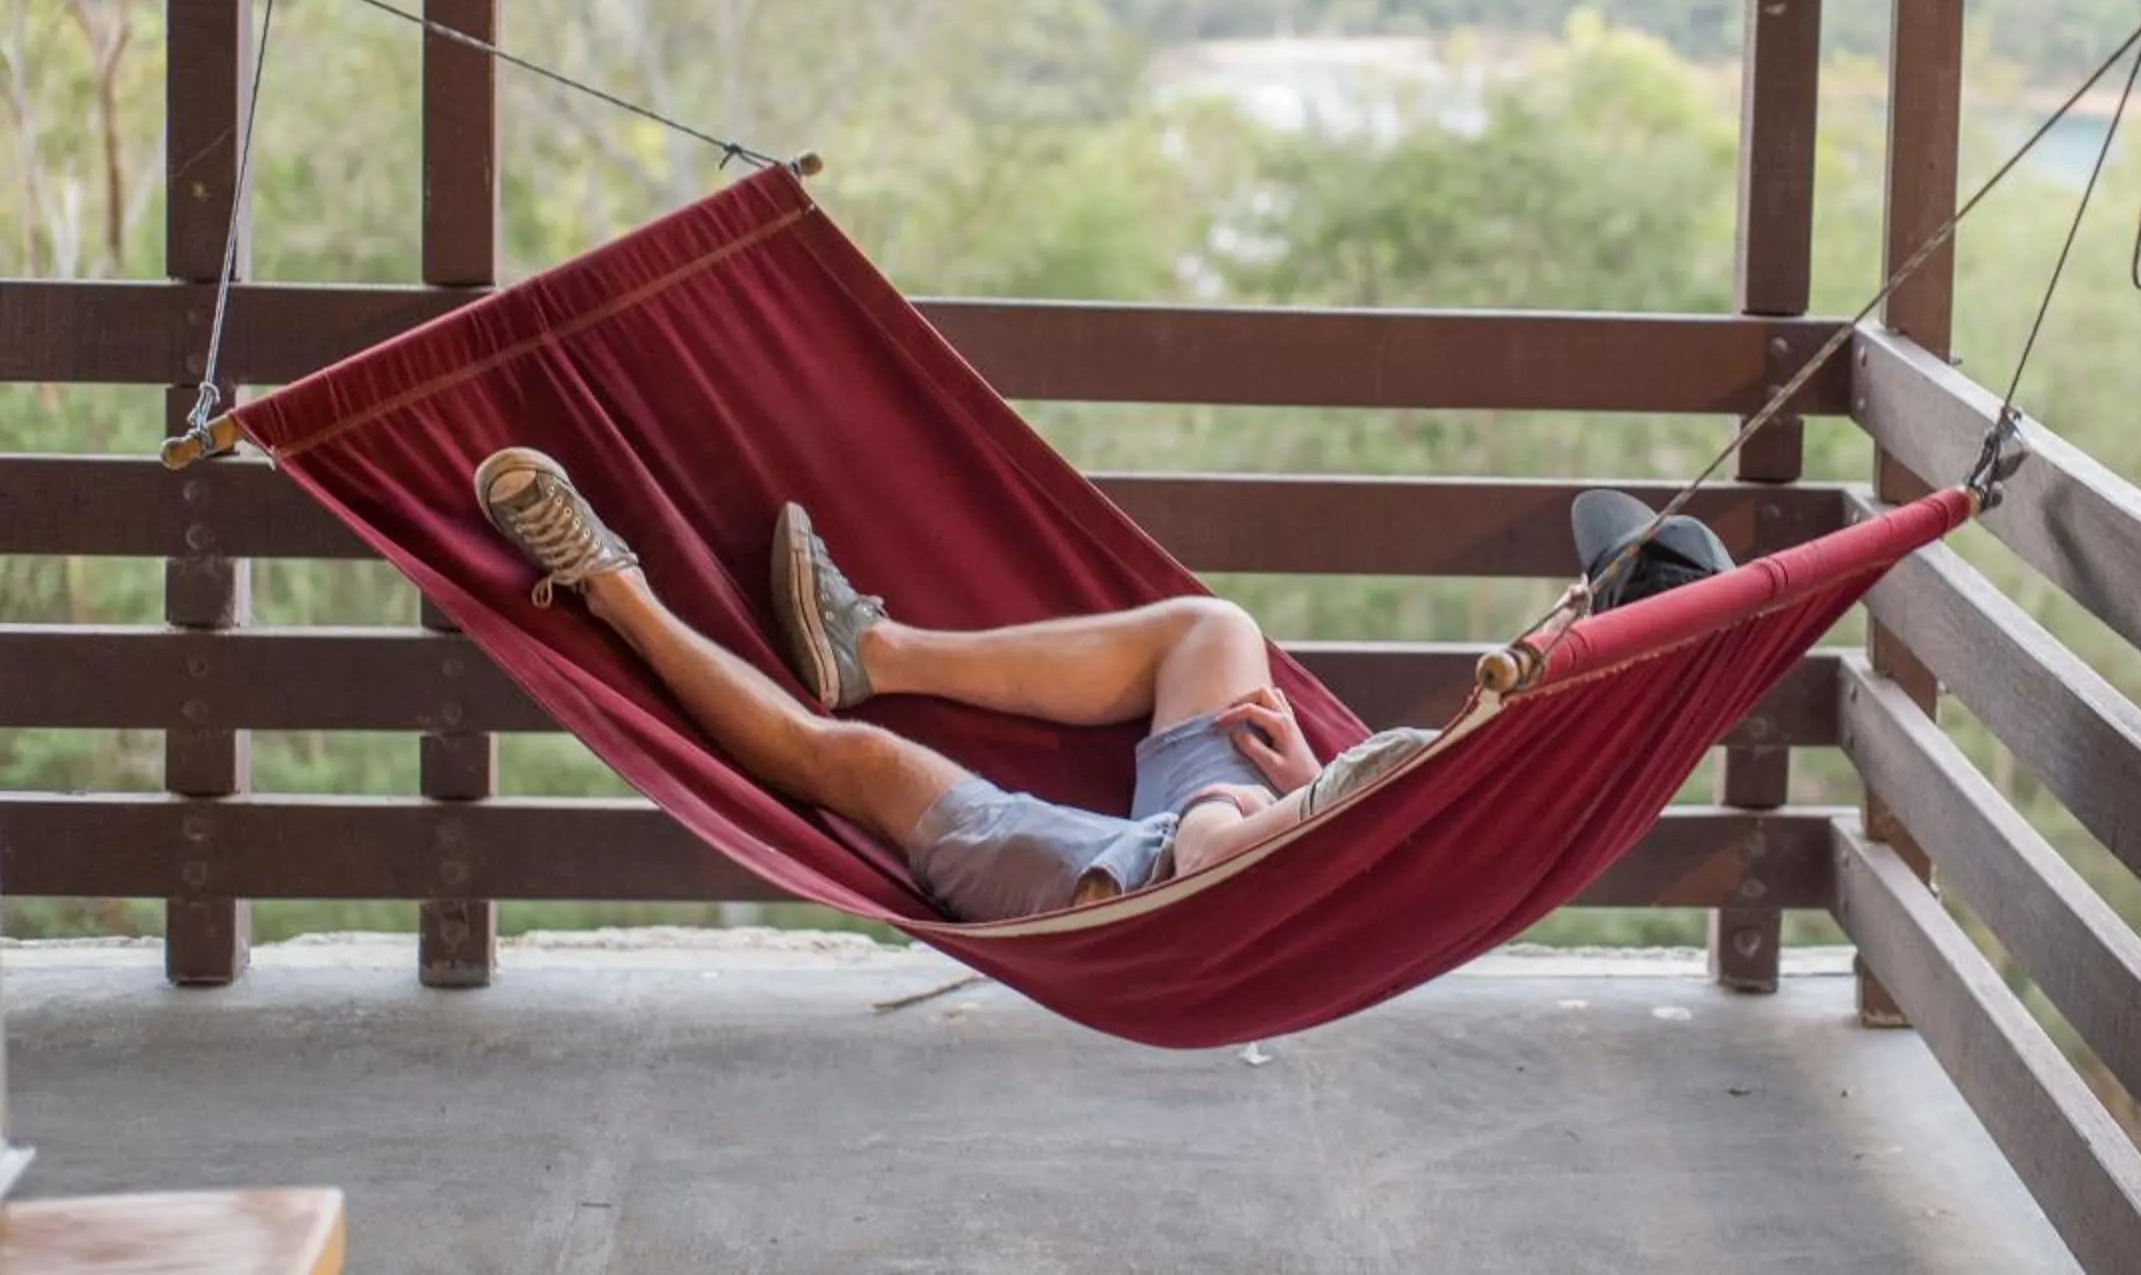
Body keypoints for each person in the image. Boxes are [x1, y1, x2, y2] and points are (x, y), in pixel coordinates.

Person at [472, 448, 1730, 924]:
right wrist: (1303, 781)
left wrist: (1253, 811)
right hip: (1263, 833)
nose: (1556, 602)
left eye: (1578, 599)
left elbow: (1211, 866)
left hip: (1153, 892)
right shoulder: (1491, 744)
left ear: (1590, 633)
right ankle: (880, 654)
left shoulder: (1464, 758)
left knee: (846, 767)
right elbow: (1357, 838)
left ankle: (607, 583)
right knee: (1213, 631)